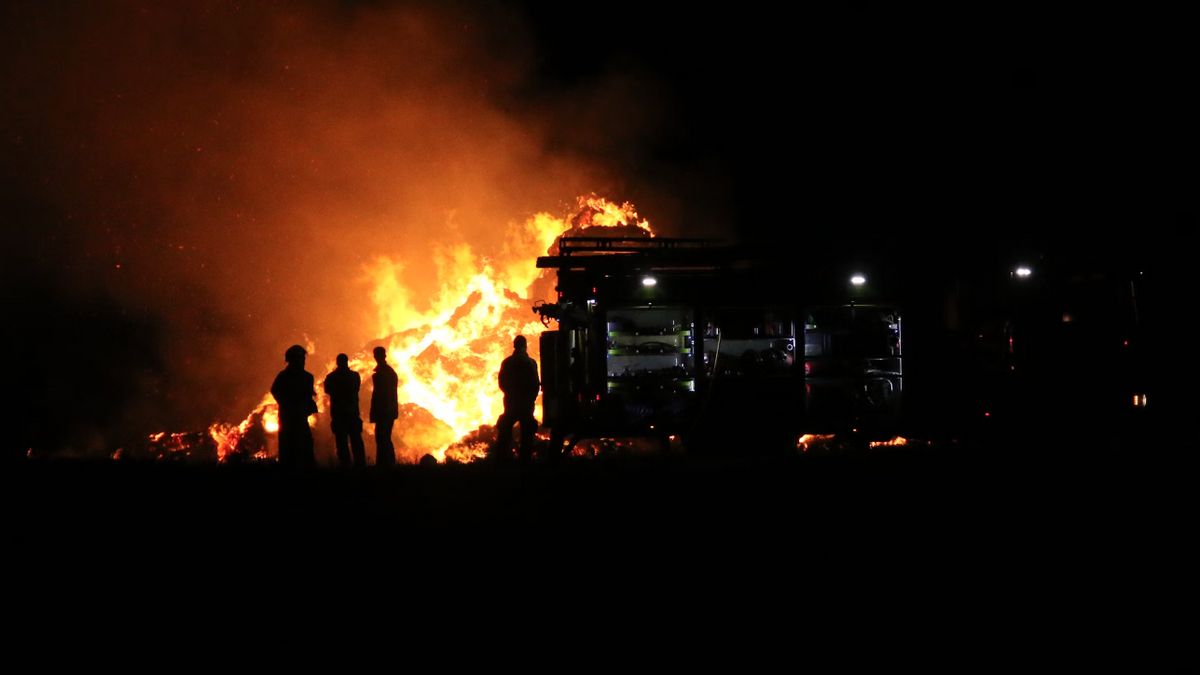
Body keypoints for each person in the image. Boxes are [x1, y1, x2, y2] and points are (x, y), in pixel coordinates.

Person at [494, 335, 540, 461]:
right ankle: (524, 461)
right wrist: (531, 398)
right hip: (526, 403)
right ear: (525, 346)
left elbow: (502, 382)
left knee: (505, 430)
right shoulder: (531, 363)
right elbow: (536, 384)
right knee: (527, 433)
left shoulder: (508, 362)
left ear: (514, 345)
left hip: (512, 403)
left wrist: (510, 394)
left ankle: (502, 460)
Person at [270, 344, 317, 468]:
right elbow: (275, 390)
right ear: (292, 360)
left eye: (303, 358)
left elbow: (308, 395)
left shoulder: (307, 377)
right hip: (288, 418)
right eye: (300, 358)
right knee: (289, 447)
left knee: (305, 445)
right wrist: (287, 404)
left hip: (299, 417)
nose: (303, 361)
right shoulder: (284, 376)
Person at [323, 353, 366, 468]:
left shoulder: (331, 377)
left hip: (339, 415)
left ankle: (345, 466)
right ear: (347, 362)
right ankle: (360, 466)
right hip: (352, 413)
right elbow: (356, 388)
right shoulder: (354, 376)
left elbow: (327, 390)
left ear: (337, 362)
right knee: (356, 441)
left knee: (341, 443)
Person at [369, 346, 399, 466]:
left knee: (383, 438)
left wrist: (382, 410)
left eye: (378, 355)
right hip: (386, 411)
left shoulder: (384, 373)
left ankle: (386, 464)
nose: (376, 357)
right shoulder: (385, 372)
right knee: (383, 438)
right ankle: (386, 464)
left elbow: (383, 394)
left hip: (385, 411)